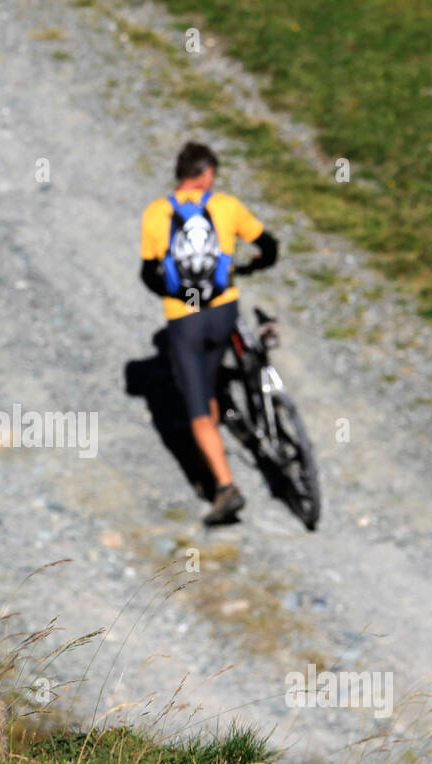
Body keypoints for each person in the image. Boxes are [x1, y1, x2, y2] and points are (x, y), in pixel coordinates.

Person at [139, 141, 277, 525]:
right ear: (207, 174)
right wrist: (251, 266)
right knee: (215, 374)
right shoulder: (227, 206)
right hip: (224, 311)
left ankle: (224, 486)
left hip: (186, 319)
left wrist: (184, 295)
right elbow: (270, 245)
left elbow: (149, 274)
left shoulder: (157, 213)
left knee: (198, 407)